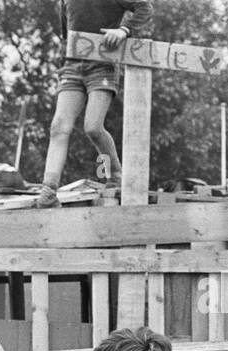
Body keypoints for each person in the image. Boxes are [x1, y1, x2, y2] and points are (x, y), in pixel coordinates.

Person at [37, 0, 154, 208]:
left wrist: (123, 30)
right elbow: (68, 34)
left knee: (92, 127)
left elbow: (145, 7)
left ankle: (115, 173)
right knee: (58, 127)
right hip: (73, 65)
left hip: (102, 65)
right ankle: (48, 190)